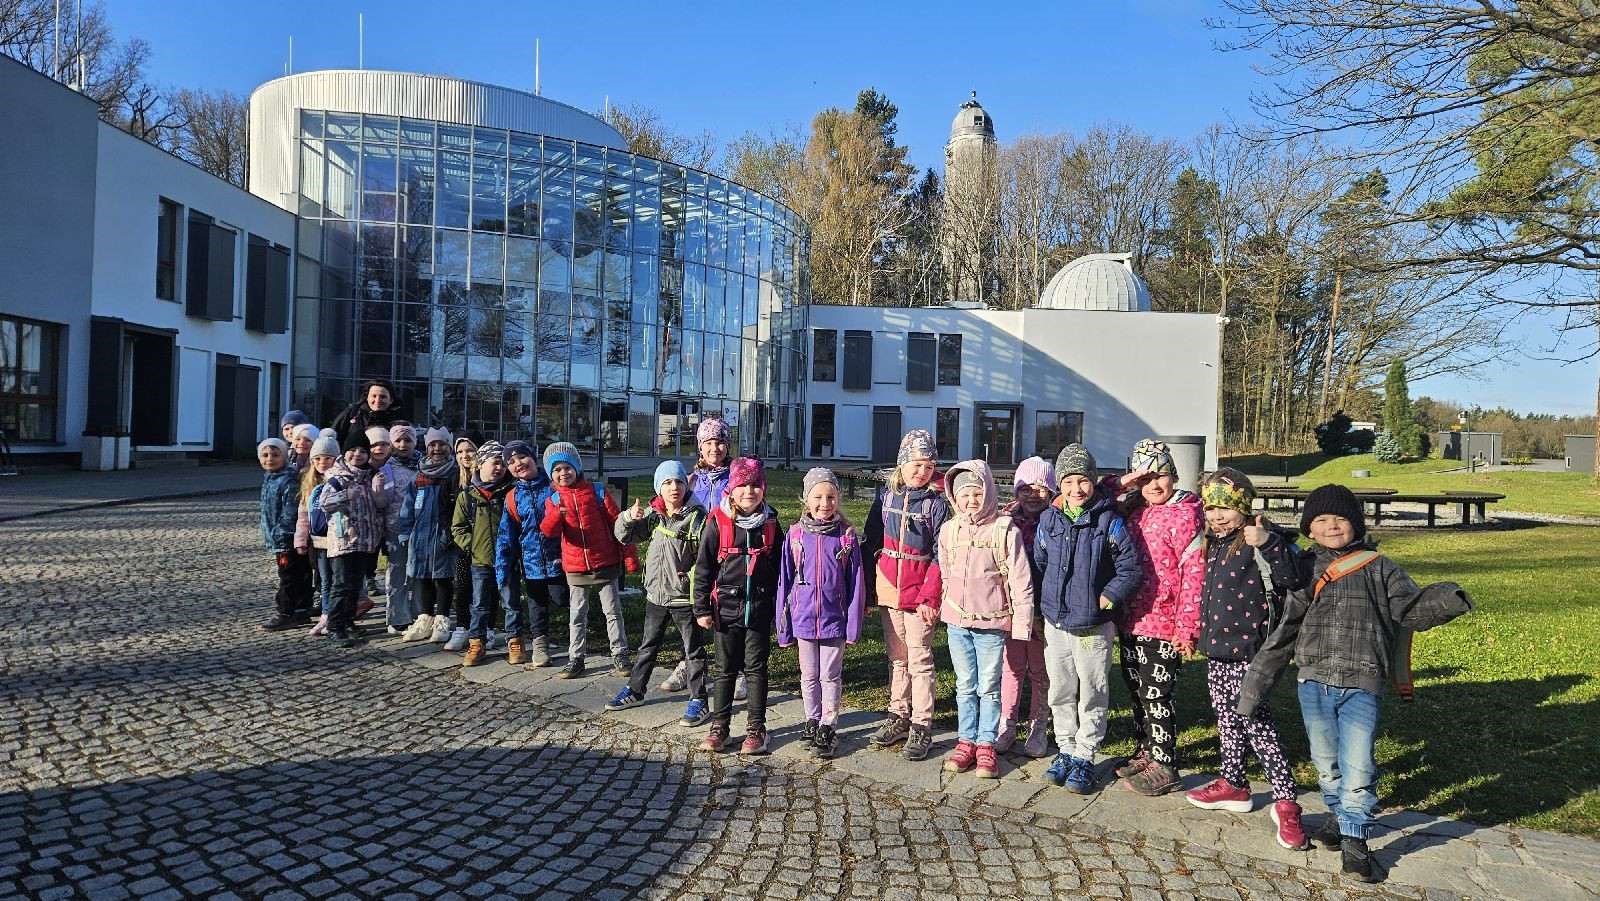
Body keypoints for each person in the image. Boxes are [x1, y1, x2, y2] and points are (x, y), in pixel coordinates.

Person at [1238, 484, 1473, 883]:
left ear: (1356, 525)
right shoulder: (1305, 571)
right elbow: (1284, 633)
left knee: (1358, 766)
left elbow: (1410, 610)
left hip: (1362, 682)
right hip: (1313, 681)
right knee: (1326, 766)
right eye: (1322, 520)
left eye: (1341, 519)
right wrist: (1254, 687)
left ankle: (1355, 840)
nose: (1332, 527)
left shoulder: (1381, 568)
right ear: (1310, 529)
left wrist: (1448, 598)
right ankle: (1338, 814)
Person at [1182, 469, 1310, 851]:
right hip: (1218, 651)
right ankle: (1234, 784)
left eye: (1227, 508)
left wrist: (1268, 542)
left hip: (1250, 653)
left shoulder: (1257, 541)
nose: (1218, 515)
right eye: (1212, 508)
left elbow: (1292, 579)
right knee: (1226, 719)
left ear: (1243, 508)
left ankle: (1286, 800)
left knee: (1256, 722)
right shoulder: (1213, 543)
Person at [1034, 444, 1141, 794]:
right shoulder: (1049, 518)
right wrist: (1049, 599)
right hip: (1056, 619)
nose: (1076, 489)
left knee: (1092, 690)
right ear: (1059, 484)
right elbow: (1041, 561)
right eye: (1068, 481)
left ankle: (1085, 753)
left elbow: (1129, 568)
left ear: (1093, 482)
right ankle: (1065, 748)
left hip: (1093, 623)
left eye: (1083, 481)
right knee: (1061, 688)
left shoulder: (1109, 520)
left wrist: (1108, 596)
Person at [1111, 439, 1205, 797]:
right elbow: (1104, 491)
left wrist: (1187, 627)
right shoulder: (1133, 511)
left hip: (1165, 624)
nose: (1154, 485)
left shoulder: (1186, 515)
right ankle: (1147, 750)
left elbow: (1194, 575)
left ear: (1175, 476)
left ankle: (1166, 763)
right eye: (1145, 479)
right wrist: (1126, 482)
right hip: (1132, 618)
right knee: (1136, 691)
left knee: (1156, 694)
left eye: (1161, 476)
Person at [938, 460, 1036, 779]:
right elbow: (945, 571)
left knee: (989, 687)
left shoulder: (1005, 530)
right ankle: (966, 739)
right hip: (958, 622)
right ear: (955, 496)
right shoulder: (950, 530)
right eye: (964, 494)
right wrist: (947, 606)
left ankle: (986, 744)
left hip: (992, 624)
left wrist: (1021, 625)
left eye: (977, 493)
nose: (971, 500)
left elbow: (1021, 580)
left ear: (989, 492)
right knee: (965, 685)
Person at [864, 429, 950, 762]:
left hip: (920, 591)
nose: (922, 471)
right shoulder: (885, 498)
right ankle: (898, 713)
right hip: (888, 587)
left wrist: (931, 596)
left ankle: (922, 723)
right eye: (916, 464)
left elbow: (942, 554)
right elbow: (871, 541)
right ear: (902, 464)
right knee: (897, 656)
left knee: (920, 658)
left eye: (928, 465)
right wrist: (871, 591)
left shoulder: (936, 504)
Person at [605, 461, 712, 727]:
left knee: (693, 650)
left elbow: (706, 558)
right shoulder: (653, 516)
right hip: (656, 594)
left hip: (684, 597)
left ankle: (699, 699)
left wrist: (694, 584)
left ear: (686, 485)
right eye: (667, 483)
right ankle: (636, 690)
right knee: (647, 646)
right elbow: (623, 536)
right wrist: (629, 516)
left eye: (678, 482)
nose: (673, 487)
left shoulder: (696, 517)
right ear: (658, 488)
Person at [694, 457, 784, 755]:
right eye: (742, 485)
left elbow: (781, 568)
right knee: (725, 670)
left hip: (759, 609)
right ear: (731, 489)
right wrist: (701, 609)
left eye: (755, 485)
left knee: (756, 669)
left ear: (763, 488)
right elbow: (704, 568)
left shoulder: (771, 523)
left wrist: (780, 607)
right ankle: (720, 725)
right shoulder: (717, 523)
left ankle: (756, 728)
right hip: (725, 611)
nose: (749, 491)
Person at [776, 468, 865, 759]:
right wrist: (783, 626)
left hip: (834, 621)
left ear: (838, 499)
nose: (824, 503)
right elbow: (784, 581)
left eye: (830, 497)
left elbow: (856, 585)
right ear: (806, 499)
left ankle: (829, 723)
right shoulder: (795, 536)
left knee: (830, 674)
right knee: (809, 674)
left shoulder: (847, 539)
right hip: (803, 620)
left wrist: (852, 626)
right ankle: (811, 719)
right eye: (818, 497)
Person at [539, 441, 635, 679]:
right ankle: (576, 657)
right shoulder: (552, 500)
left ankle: (620, 653)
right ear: (551, 474)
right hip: (575, 567)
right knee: (577, 615)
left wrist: (630, 555)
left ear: (577, 468)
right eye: (557, 470)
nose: (563, 473)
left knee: (612, 612)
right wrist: (555, 515)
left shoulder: (597, 491)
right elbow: (548, 531)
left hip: (605, 562)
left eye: (567, 468)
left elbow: (619, 524)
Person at [996, 456, 1055, 758]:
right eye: (1026, 488)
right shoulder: (1006, 523)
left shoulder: (1056, 522)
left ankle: (1038, 725)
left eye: (1041, 488)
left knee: (1040, 671)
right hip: (1012, 609)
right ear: (1016, 490)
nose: (1033, 494)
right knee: (1012, 667)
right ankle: (1006, 722)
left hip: (1045, 611)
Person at [494, 440, 568, 666]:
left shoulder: (553, 487)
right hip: (531, 563)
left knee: (562, 598)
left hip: (559, 559)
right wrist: (503, 568)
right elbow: (506, 536)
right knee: (537, 606)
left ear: (533, 458)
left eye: (522, 457)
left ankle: (577, 637)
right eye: (511, 461)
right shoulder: (512, 498)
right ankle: (540, 643)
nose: (518, 464)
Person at [451, 441, 521, 667]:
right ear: (480, 464)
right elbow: (458, 527)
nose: (499, 468)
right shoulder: (468, 496)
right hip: (480, 561)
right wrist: (472, 546)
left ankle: (514, 640)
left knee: (511, 603)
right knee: (479, 604)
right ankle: (476, 642)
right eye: (495, 463)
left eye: (502, 464)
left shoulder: (511, 492)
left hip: (507, 559)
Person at [317, 429, 387, 647]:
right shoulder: (338, 478)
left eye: (362, 451)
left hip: (365, 540)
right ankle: (335, 625)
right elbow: (325, 503)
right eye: (352, 450)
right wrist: (346, 495)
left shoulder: (369, 477)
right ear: (345, 453)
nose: (357, 454)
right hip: (344, 540)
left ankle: (348, 621)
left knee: (355, 585)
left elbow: (377, 506)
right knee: (341, 584)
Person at [400, 428, 461, 643]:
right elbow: (407, 506)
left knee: (443, 579)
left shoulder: (454, 473)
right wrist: (405, 531)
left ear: (449, 447)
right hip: (420, 537)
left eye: (442, 444)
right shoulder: (419, 476)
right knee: (422, 578)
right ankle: (425, 618)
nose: (437, 448)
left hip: (444, 536)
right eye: (432, 445)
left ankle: (442, 619)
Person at [257, 438, 312, 631]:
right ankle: (302, 609)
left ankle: (286, 611)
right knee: (298, 573)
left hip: (286, 538)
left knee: (289, 576)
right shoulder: (270, 477)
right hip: (276, 537)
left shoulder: (288, 480)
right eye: (265, 455)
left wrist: (281, 534)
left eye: (275, 455)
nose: (270, 459)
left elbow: (289, 512)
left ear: (284, 457)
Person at [295, 431, 341, 636]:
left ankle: (338, 615)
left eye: (328, 458)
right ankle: (325, 614)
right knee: (323, 580)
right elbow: (303, 515)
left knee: (338, 579)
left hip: (338, 540)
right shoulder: (309, 484)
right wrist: (301, 538)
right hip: (318, 542)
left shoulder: (341, 480)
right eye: (318, 459)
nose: (323, 463)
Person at [378, 423, 421, 634]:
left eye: (408, 440)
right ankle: (397, 616)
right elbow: (382, 501)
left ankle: (417, 614)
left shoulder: (422, 464)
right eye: (398, 441)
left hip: (420, 527)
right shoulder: (387, 468)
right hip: (395, 528)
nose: (403, 445)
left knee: (417, 574)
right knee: (397, 573)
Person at [441, 436, 478, 651]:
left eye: (469, 450)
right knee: (462, 586)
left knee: (485, 588)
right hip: (461, 544)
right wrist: (457, 538)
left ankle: (484, 628)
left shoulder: (487, 475)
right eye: (460, 452)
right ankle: (462, 626)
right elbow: (444, 512)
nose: (465, 455)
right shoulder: (452, 480)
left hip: (484, 542)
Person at [331, 380, 399, 446]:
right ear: (367, 398)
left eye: (383, 397)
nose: (377, 400)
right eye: (374, 396)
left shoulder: (398, 419)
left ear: (391, 400)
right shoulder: (353, 413)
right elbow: (333, 438)